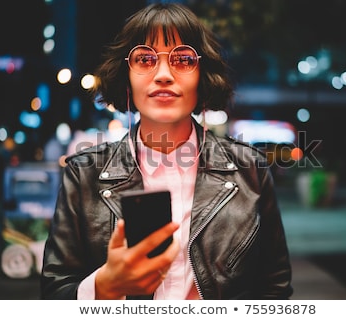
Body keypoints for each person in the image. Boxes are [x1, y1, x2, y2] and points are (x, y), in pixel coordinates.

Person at [41, 3, 293, 300]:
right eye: (145, 59)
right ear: (127, 77)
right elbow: (55, 291)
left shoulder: (250, 169)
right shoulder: (83, 175)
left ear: (203, 76)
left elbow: (274, 289)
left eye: (183, 59)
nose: (163, 74)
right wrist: (104, 287)